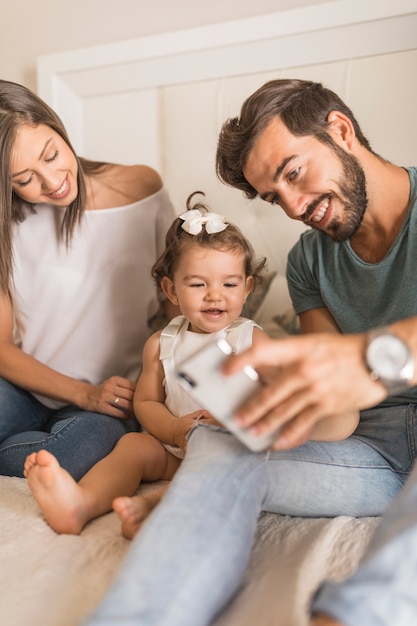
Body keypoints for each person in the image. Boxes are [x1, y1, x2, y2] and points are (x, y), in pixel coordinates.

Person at [82, 77, 417, 626]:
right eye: (273, 197)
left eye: (293, 173)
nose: (294, 207)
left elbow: (353, 369)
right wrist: (279, 406)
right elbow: (338, 412)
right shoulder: (311, 260)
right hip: (368, 452)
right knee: (217, 438)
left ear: (340, 130)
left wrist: (371, 361)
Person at [24, 192, 276, 537]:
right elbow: (145, 403)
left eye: (229, 284)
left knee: (222, 467)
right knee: (132, 447)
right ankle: (80, 504)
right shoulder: (162, 343)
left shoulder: (252, 341)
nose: (215, 294)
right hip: (174, 449)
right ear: (171, 291)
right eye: (198, 284)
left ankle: (154, 510)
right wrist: (173, 430)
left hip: (229, 450)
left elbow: (278, 399)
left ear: (247, 288)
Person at [0, 78, 176, 481]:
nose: (50, 181)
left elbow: (174, 306)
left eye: (51, 154)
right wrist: (82, 392)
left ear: (57, 127)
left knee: (80, 451)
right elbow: (1, 347)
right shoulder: (6, 223)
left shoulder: (141, 188)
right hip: (25, 387)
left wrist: (155, 394)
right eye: (23, 180)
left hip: (112, 395)